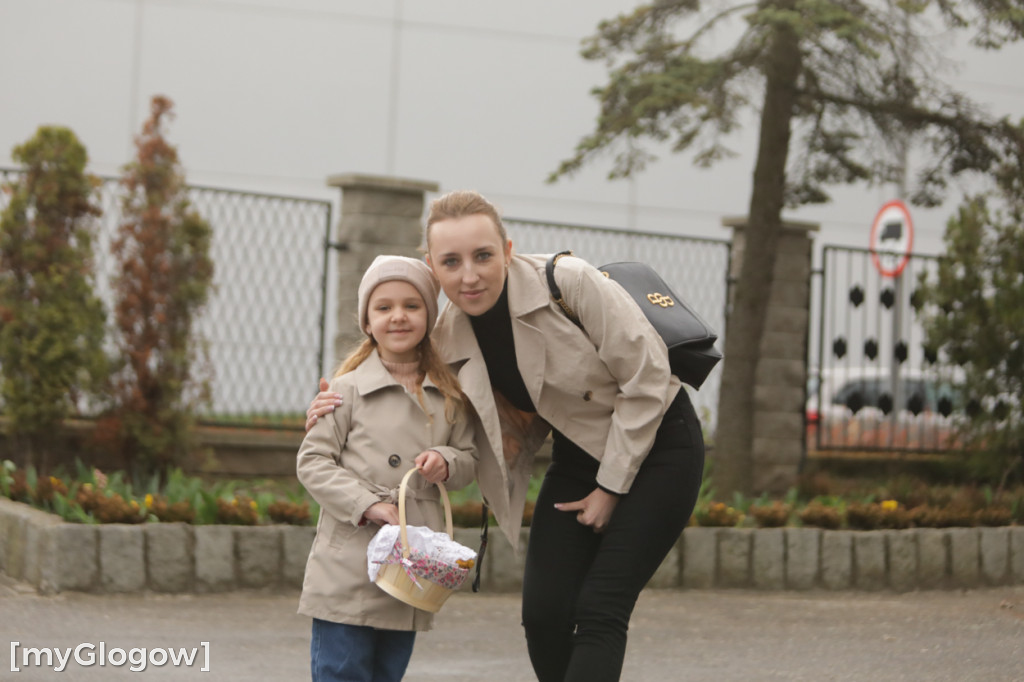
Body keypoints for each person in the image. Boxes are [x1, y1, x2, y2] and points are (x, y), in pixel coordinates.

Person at [307, 191, 705, 682]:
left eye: (483, 256)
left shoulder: (569, 282)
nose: (469, 275)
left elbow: (648, 378)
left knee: (600, 608)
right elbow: (403, 377)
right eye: (451, 262)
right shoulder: (447, 332)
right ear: (432, 266)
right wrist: (333, 400)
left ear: (508, 250)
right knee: (544, 615)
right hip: (580, 456)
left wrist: (611, 487)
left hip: (661, 446)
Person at [296, 255, 476, 682]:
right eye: (384, 307)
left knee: (386, 673)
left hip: (409, 568)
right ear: (367, 321)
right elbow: (313, 461)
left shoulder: (449, 395)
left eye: (412, 306)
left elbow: (470, 460)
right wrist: (367, 504)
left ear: (429, 317)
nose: (398, 317)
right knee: (341, 672)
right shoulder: (345, 389)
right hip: (349, 564)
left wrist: (445, 462)